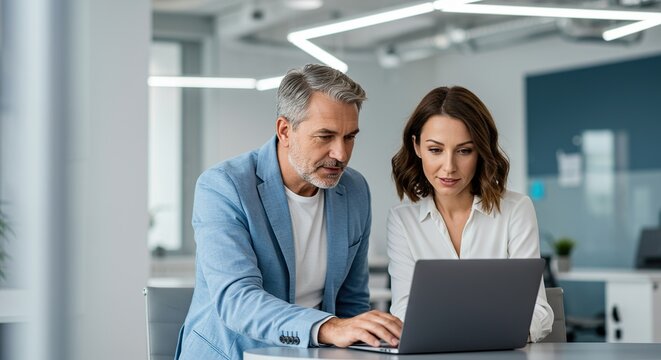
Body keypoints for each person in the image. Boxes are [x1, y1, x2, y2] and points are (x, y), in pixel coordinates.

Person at [175, 64, 402, 360]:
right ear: (285, 130)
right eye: (325, 136)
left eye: (350, 137)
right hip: (234, 353)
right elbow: (237, 302)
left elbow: (352, 302)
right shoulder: (224, 186)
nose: (341, 154)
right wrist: (329, 327)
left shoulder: (354, 190)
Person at [387, 86, 553, 342]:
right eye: (435, 150)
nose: (449, 167)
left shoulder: (515, 210)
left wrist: (468, 332)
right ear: (417, 146)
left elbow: (538, 311)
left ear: (481, 151)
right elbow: (403, 310)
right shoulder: (403, 221)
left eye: (464, 150)